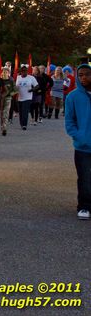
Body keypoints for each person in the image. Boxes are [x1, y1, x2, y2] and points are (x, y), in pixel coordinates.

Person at [65, 64, 91, 221]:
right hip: (83, 146)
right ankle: (84, 206)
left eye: (87, 74)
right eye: (80, 75)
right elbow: (69, 120)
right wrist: (78, 135)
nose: (83, 78)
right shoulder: (73, 97)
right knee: (84, 178)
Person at [15, 65, 38, 131]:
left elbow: (37, 86)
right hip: (19, 97)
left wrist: (31, 90)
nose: (24, 73)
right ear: (20, 72)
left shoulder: (31, 78)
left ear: (27, 71)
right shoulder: (18, 77)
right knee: (21, 112)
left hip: (28, 97)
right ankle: (21, 124)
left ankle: (24, 125)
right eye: (22, 71)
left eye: (25, 71)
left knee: (25, 111)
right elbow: (16, 87)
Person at [0, 67, 16, 136]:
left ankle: (4, 128)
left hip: (8, 98)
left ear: (8, 73)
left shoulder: (11, 80)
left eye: (6, 72)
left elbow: (15, 90)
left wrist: (10, 94)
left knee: (6, 113)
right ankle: (1, 125)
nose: (4, 73)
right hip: (0, 99)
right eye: (3, 72)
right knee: (1, 113)